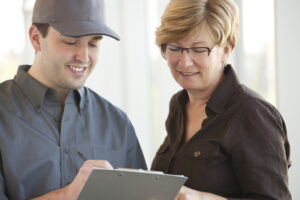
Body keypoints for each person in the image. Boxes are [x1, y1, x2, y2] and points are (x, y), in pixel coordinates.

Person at [0, 0, 147, 199]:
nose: (84, 56)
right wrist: (66, 196)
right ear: (36, 38)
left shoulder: (117, 123)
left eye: (94, 43)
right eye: (70, 42)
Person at [151, 0, 291, 199]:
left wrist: (201, 198)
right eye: (174, 47)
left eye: (198, 49)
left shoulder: (253, 114)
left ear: (225, 50)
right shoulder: (178, 105)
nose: (184, 61)